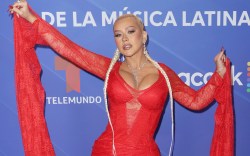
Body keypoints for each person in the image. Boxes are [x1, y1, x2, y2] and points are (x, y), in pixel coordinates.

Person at [10, 1, 234, 156]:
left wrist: (219, 75)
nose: (124, 39)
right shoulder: (109, 69)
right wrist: (31, 18)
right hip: (107, 151)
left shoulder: (164, 73)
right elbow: (70, 50)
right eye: (118, 35)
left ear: (144, 35)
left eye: (130, 31)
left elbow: (195, 101)